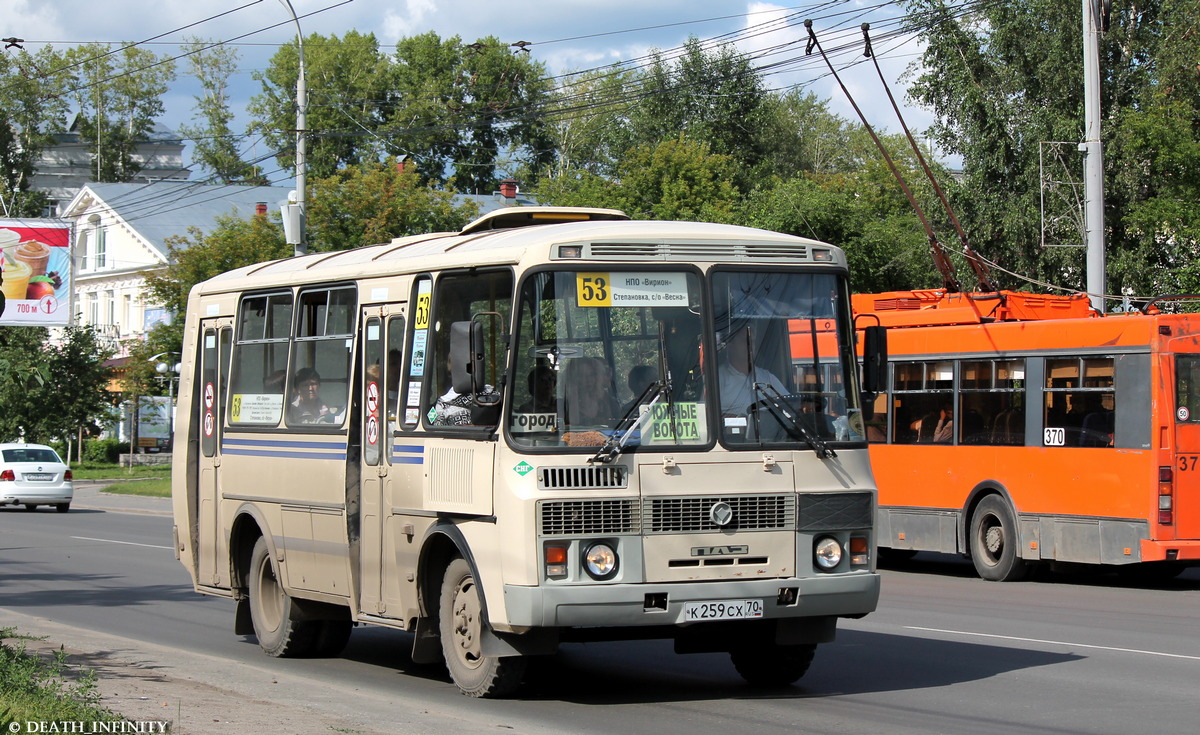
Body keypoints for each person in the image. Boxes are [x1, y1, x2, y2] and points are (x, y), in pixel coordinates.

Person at [717, 324, 787, 417]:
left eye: (752, 342)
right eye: (744, 341)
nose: (749, 346)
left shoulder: (767, 377)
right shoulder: (717, 379)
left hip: (766, 431)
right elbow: (705, 414)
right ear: (730, 345)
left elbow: (788, 406)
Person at [562, 356, 619, 426]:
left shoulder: (610, 403)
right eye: (582, 375)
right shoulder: (562, 405)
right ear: (573, 378)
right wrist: (574, 397)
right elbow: (570, 425)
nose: (588, 380)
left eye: (591, 375)